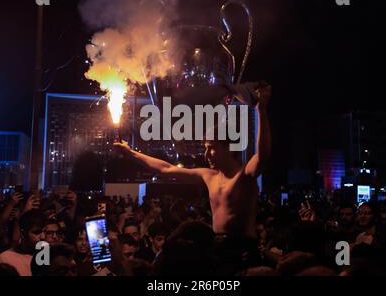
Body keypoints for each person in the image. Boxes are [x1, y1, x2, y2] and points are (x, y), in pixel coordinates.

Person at [115, 85, 272, 273]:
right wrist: (131, 153)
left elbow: (263, 155)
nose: (206, 154)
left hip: (243, 251)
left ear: (228, 147)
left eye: (211, 147)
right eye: (205, 147)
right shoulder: (208, 176)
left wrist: (261, 111)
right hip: (218, 249)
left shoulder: (245, 175)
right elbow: (166, 169)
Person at [0, 210, 46, 276]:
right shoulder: (7, 258)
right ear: (23, 233)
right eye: (36, 232)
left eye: (45, 232)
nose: (43, 237)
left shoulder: (47, 255)